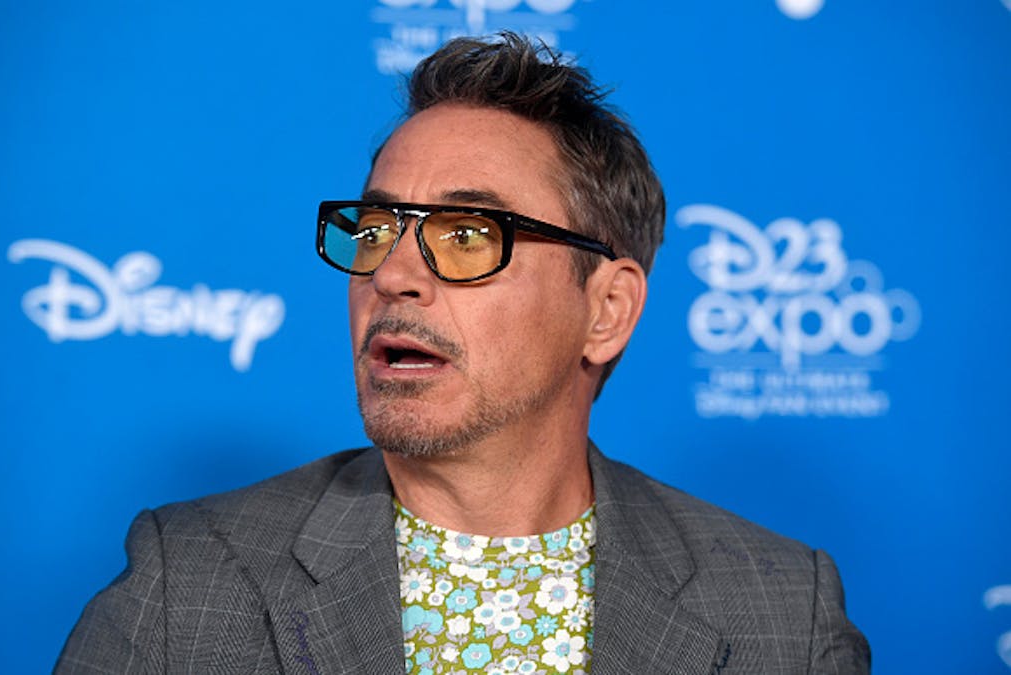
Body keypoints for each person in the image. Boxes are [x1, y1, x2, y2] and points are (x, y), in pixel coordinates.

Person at [56, 33, 870, 674]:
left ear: (607, 311)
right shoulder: (186, 581)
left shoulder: (783, 610)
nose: (392, 274)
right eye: (375, 229)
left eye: (469, 234)